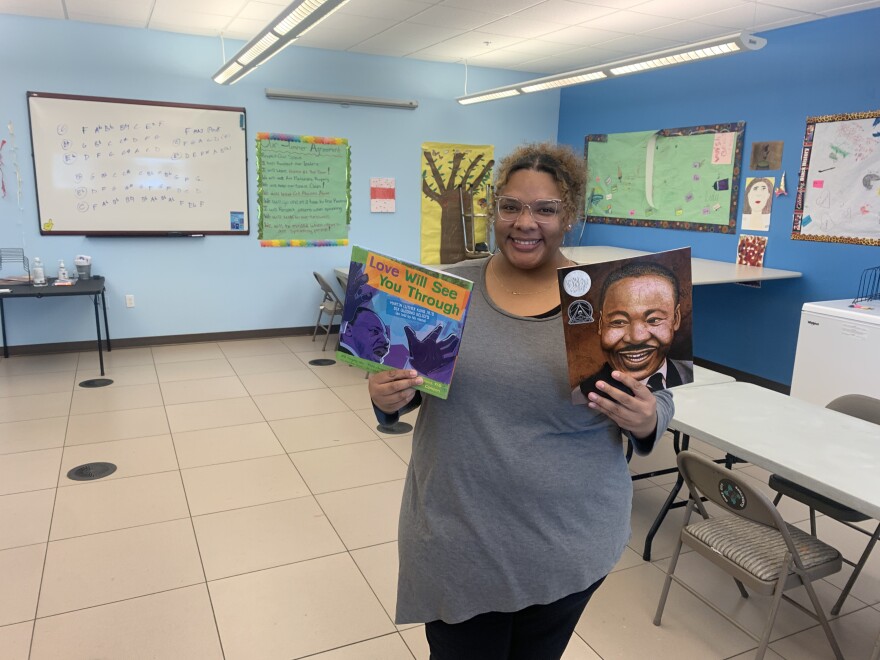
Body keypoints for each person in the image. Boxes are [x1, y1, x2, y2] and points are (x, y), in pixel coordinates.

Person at [368, 142, 674, 660]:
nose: (524, 222)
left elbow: (658, 400)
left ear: (570, 215)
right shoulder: (444, 291)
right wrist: (387, 398)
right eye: (510, 206)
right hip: (457, 540)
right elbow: (405, 384)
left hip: (567, 543)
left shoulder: (607, 300)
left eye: (545, 209)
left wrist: (647, 420)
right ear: (494, 209)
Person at [576, 261, 693, 402]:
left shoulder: (689, 373)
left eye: (654, 319)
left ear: (676, 319)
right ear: (600, 325)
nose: (637, 338)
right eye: (619, 322)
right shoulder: (582, 395)